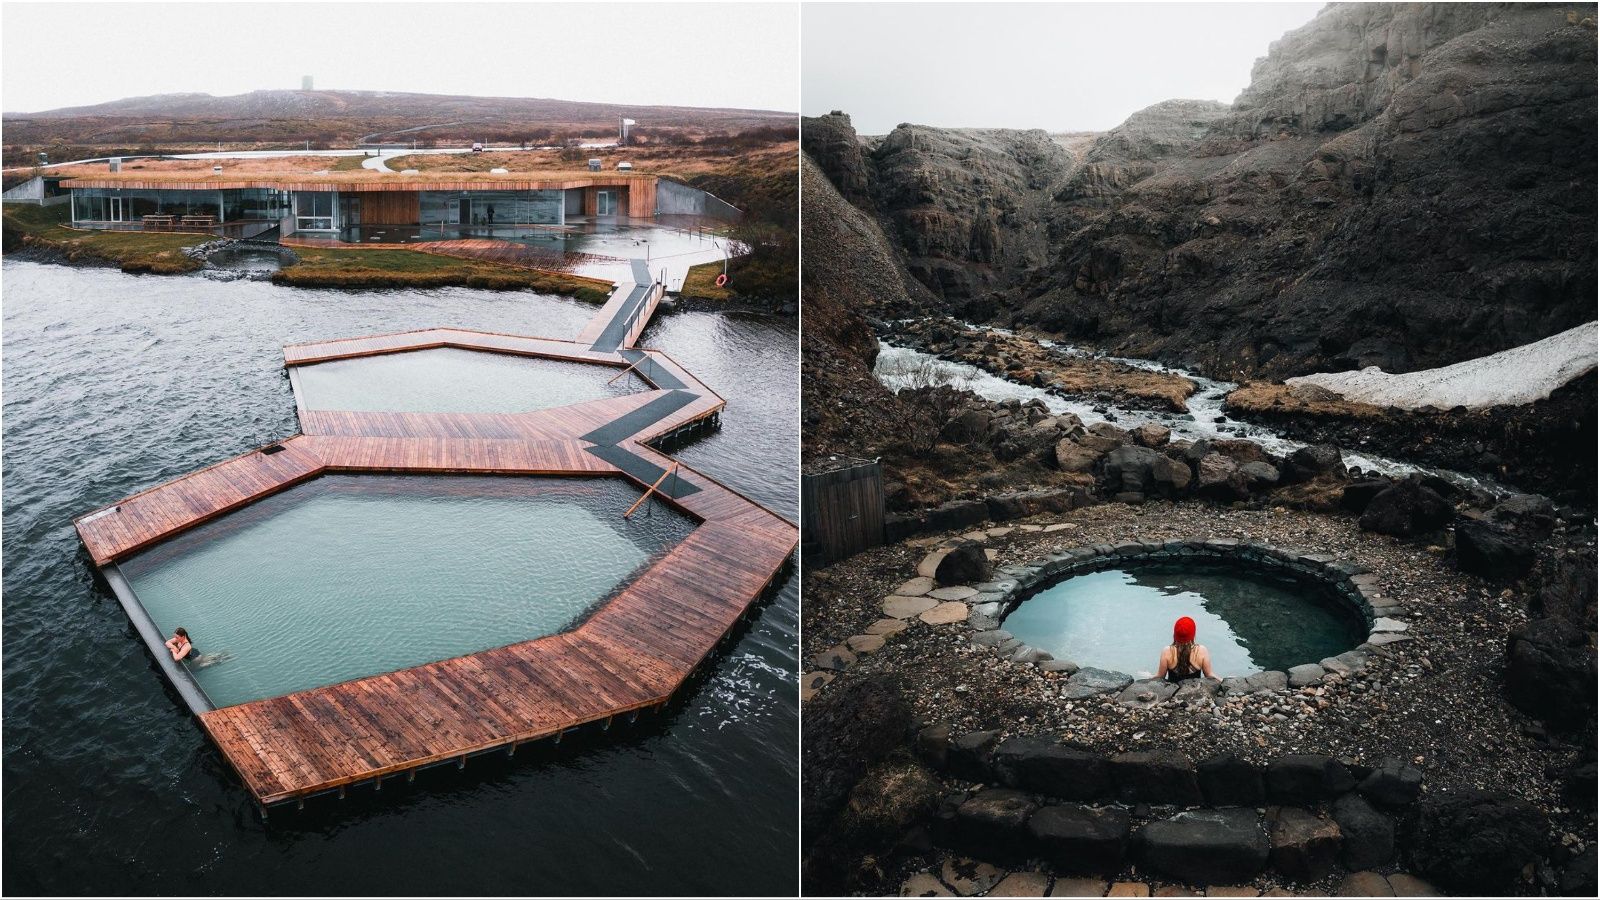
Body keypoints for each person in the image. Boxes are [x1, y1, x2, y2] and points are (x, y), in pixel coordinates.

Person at [1157, 615, 1214, 682]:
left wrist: (1148, 678)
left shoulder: (1167, 651)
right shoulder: (1201, 650)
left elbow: (1160, 677)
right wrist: (1223, 680)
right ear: (1193, 635)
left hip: (1173, 690)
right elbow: (1209, 675)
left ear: (1175, 634)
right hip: (1194, 689)